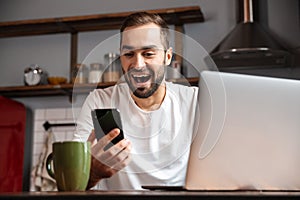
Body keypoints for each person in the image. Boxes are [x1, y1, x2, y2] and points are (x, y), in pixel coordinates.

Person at [74, 11, 199, 190]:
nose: (138, 64)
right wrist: (93, 173)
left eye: (148, 53)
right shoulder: (100, 100)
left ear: (168, 57)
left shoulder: (195, 100)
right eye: (129, 54)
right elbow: (72, 183)